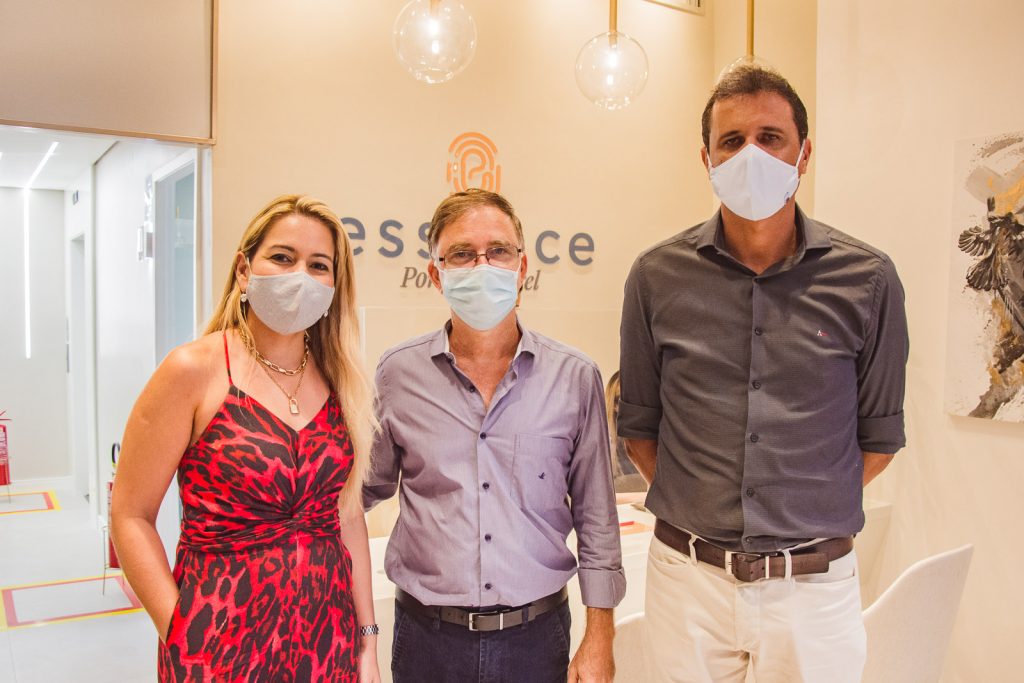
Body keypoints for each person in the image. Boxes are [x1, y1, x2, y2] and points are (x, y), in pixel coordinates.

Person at [618, 64, 909, 683]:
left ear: (804, 154)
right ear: (707, 159)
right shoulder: (655, 277)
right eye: (732, 141)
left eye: (771, 137)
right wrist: (702, 504)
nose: (751, 153)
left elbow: (879, 439)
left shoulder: (868, 280)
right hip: (687, 584)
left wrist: (800, 509)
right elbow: (640, 428)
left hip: (814, 591)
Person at [111, 195, 381, 682]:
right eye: (282, 257)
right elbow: (130, 514)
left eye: (318, 265)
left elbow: (347, 516)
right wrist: (180, 632)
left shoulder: (340, 380)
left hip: (328, 642)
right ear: (243, 270)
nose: (300, 275)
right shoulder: (194, 370)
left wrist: (368, 645)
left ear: (333, 287)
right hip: (218, 647)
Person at [364, 189, 625, 683]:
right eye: (463, 253)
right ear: (437, 274)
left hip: (537, 638)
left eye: (498, 251)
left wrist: (600, 635)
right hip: (427, 640)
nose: (482, 266)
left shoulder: (574, 377)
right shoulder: (397, 374)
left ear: (522, 267)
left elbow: (597, 520)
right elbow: (359, 490)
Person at [604, 371, 647, 498]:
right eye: (620, 400)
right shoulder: (605, 443)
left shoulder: (654, 438)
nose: (631, 407)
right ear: (613, 404)